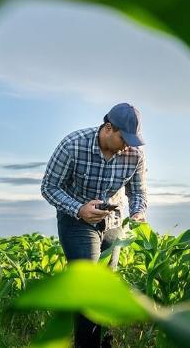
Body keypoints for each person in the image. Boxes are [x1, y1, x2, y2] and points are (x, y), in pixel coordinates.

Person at [41, 103, 148, 348]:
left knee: (105, 285)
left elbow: (138, 193)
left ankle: (103, 341)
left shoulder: (135, 155)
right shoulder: (72, 145)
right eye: (125, 138)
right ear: (108, 128)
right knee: (88, 282)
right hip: (76, 220)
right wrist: (79, 209)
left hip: (113, 221)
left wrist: (139, 213)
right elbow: (49, 187)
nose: (129, 145)